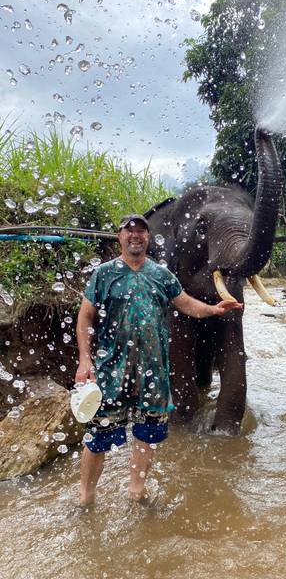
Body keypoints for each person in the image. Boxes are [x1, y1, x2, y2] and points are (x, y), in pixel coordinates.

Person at [75, 214, 242, 506]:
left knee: (146, 434)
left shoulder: (161, 274)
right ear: (120, 237)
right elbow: (85, 317)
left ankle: (136, 491)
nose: (135, 236)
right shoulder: (103, 274)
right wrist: (84, 359)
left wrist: (215, 310)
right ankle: (85, 498)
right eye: (129, 232)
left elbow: (186, 304)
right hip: (111, 371)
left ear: (148, 238)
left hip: (152, 372)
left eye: (141, 231)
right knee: (97, 436)